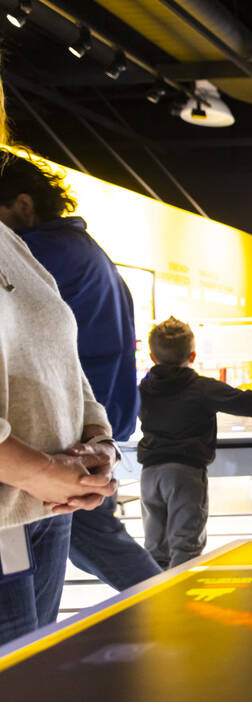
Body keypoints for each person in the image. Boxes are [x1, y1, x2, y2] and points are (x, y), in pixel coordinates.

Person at [0, 153, 161, 592]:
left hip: (56, 450)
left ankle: (171, 609)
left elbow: (61, 356)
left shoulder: (34, 252)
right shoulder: (81, 251)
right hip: (66, 444)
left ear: (24, 205)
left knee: (98, 545)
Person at [0, 145, 120, 643]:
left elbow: (62, 354)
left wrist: (100, 442)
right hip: (14, 503)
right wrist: (40, 472)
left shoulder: (14, 243)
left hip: (47, 506)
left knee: (29, 678)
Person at [138, 317, 252, 568]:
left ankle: (152, 598)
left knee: (155, 548)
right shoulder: (201, 387)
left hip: (150, 474)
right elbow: (245, 402)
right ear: (193, 356)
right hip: (185, 474)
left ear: (152, 357)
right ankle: (180, 601)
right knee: (186, 545)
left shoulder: (143, 388)